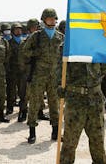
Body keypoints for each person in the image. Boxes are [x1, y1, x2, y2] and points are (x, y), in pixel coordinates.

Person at [24, 8, 64, 144]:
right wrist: (37, 52)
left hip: (54, 75)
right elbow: (25, 51)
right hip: (39, 75)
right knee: (35, 103)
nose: (52, 21)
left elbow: (64, 56)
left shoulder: (60, 37)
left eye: (54, 18)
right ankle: (32, 132)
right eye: (49, 18)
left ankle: (55, 131)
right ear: (44, 20)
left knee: (55, 104)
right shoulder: (36, 36)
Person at [60, 62, 106, 164]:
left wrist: (95, 80)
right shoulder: (69, 49)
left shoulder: (96, 49)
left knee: (98, 142)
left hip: (95, 101)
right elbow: (58, 69)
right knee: (69, 143)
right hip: (75, 101)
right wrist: (59, 85)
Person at [6, 23, 24, 115]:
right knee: (11, 91)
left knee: (22, 91)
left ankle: (23, 109)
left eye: (20, 29)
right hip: (12, 70)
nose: (18, 31)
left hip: (22, 70)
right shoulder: (8, 43)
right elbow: (6, 57)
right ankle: (9, 108)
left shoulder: (24, 42)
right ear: (12, 31)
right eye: (16, 29)